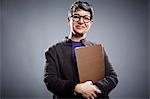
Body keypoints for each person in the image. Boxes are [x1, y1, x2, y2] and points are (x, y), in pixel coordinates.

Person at [44, 1, 118, 99]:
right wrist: (76, 88)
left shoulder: (97, 48)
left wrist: (93, 89)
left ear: (91, 23)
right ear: (69, 20)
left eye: (86, 18)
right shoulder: (53, 51)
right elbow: (50, 80)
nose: (81, 21)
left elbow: (112, 77)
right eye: (76, 17)